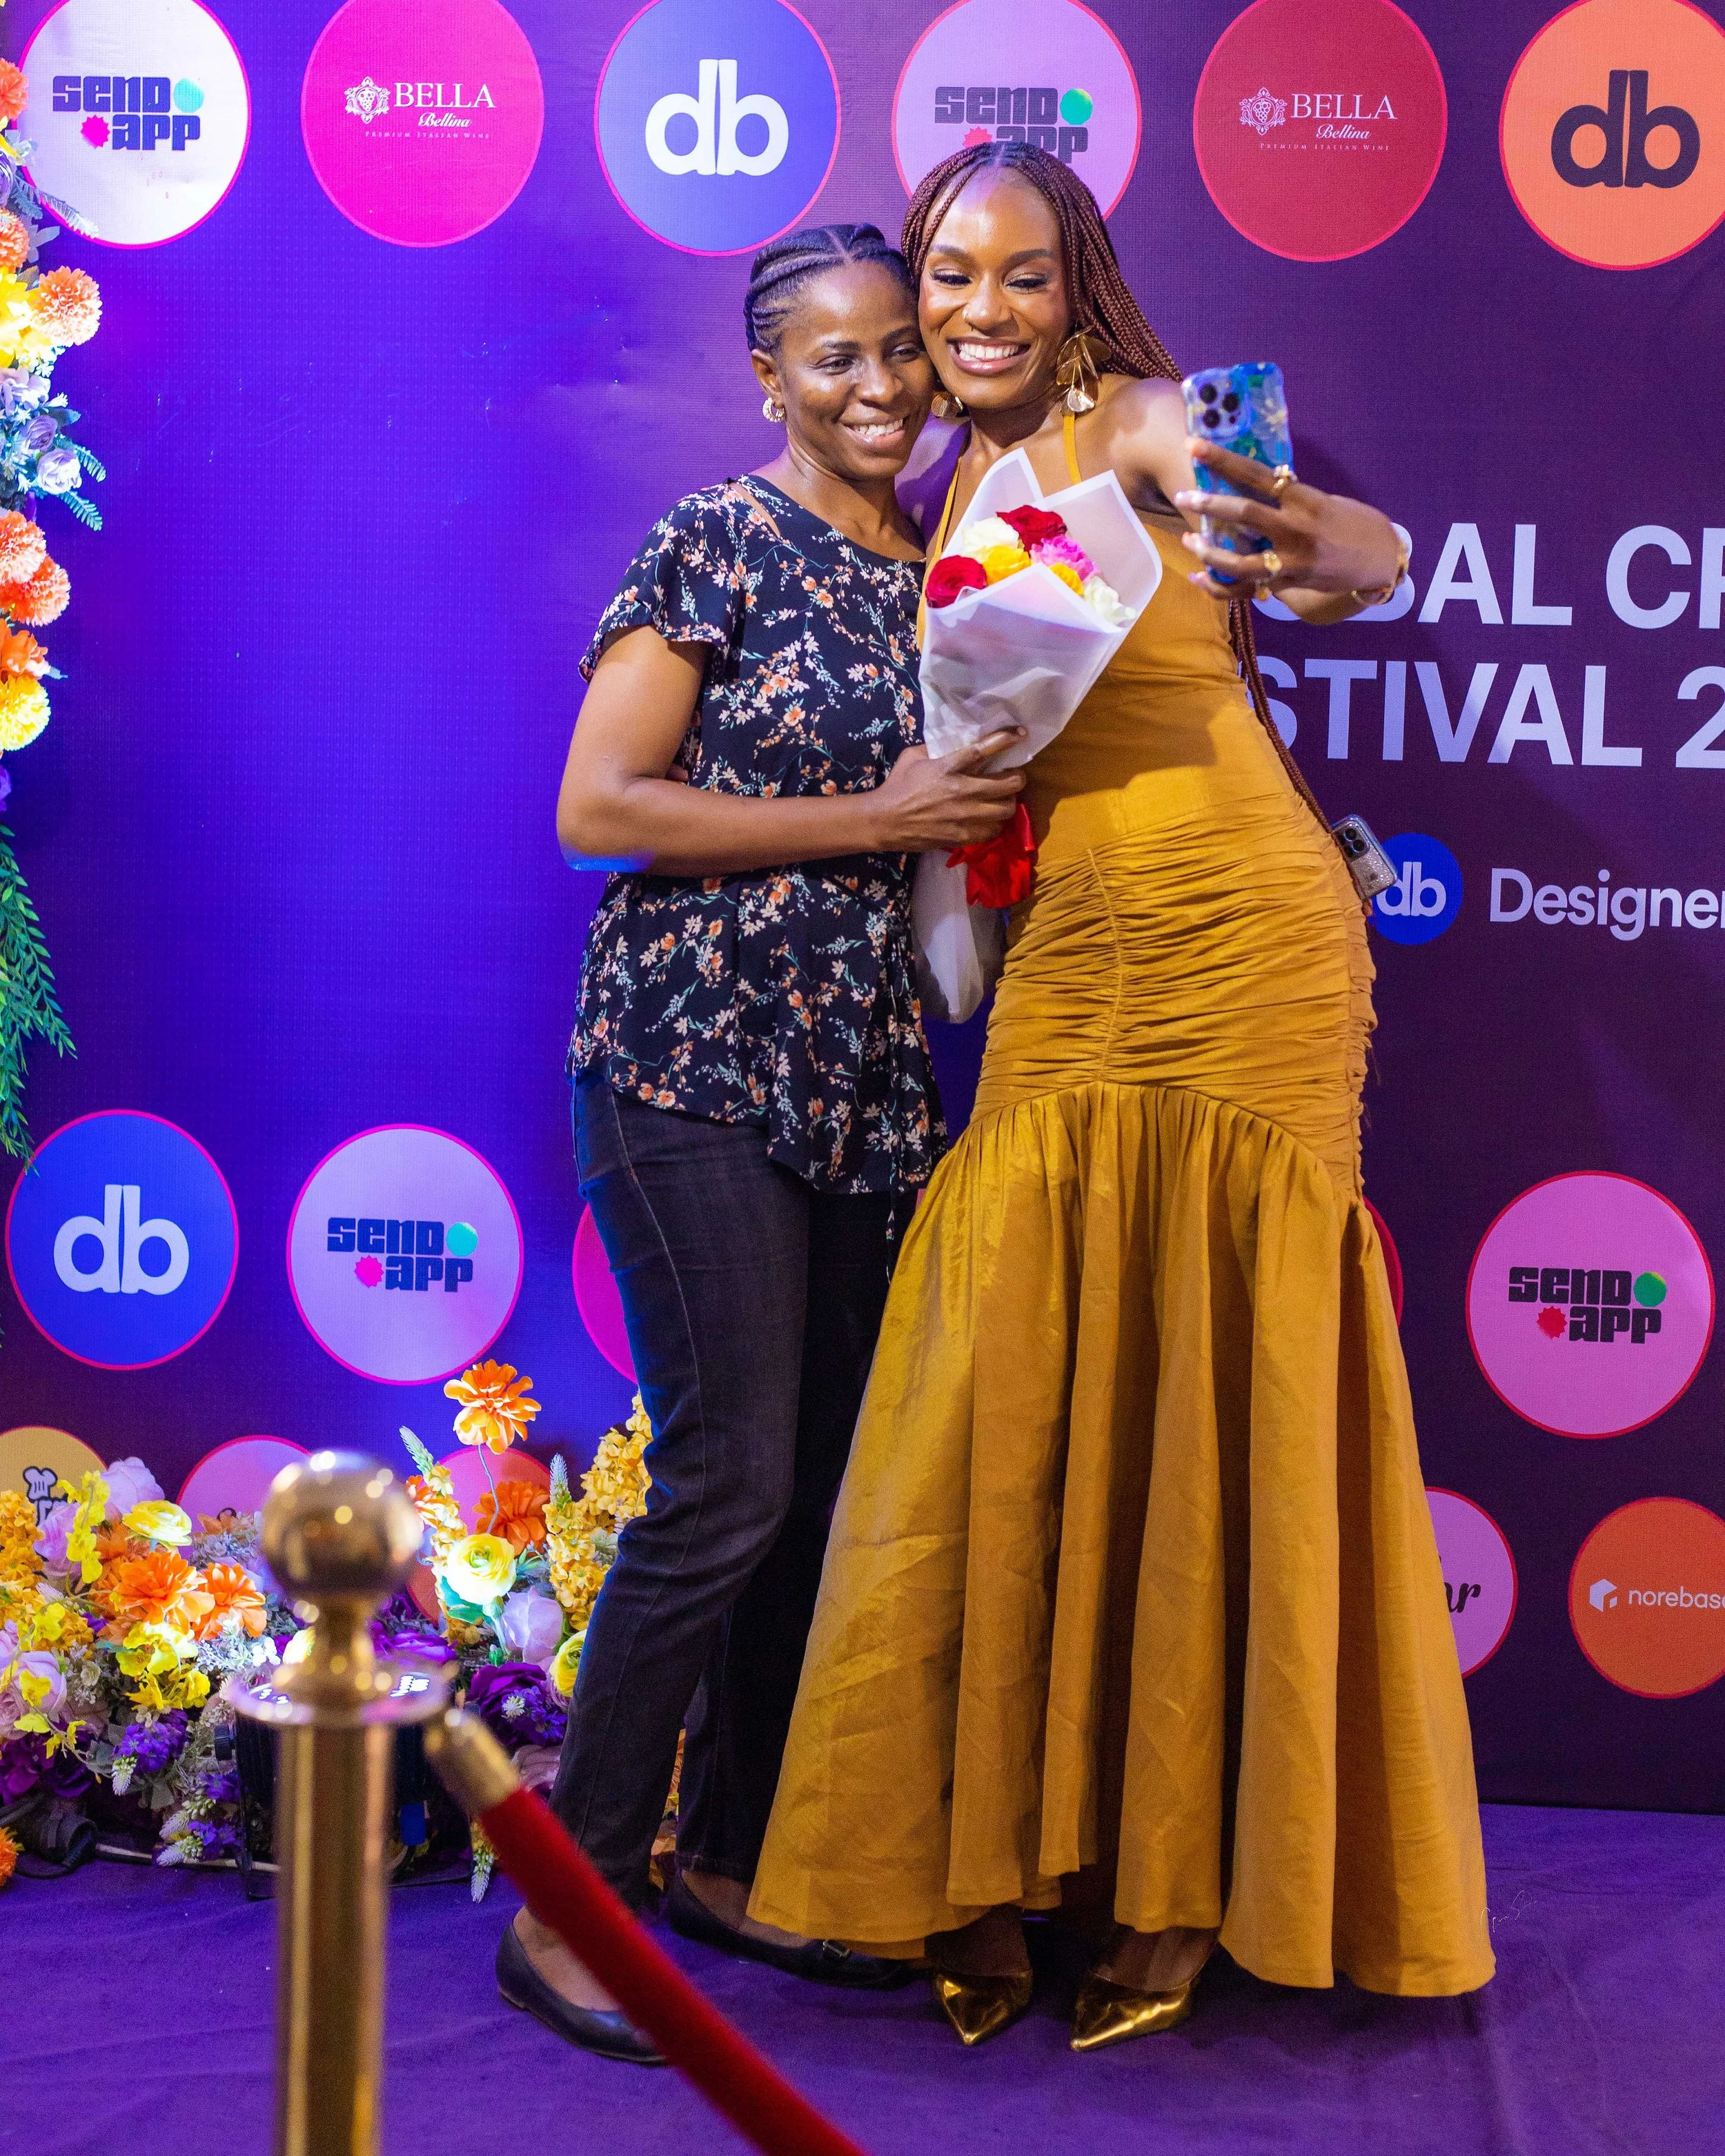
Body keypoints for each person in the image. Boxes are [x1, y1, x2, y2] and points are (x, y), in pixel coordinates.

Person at [750, 146, 1495, 2052]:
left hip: (1243, 936)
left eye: (1013, 273)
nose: (971, 308)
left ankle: (1174, 1893)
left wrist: (1314, 541)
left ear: (1078, 285)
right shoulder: (951, 488)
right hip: (1070, 954)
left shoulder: (1152, 420)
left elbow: (1355, 551)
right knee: (1026, 1368)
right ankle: (1002, 1858)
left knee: (1212, 1378)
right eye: (942, 273)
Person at [502, 223, 1027, 2064]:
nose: (880, 386)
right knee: (721, 1484)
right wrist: (867, 809)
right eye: (835, 361)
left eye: (901, 352)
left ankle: (728, 1852)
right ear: (765, 381)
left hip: (867, 1092)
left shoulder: (955, 566)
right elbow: (596, 801)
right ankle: (575, 1902)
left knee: (806, 1496)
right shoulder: (716, 537)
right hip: (691, 1064)